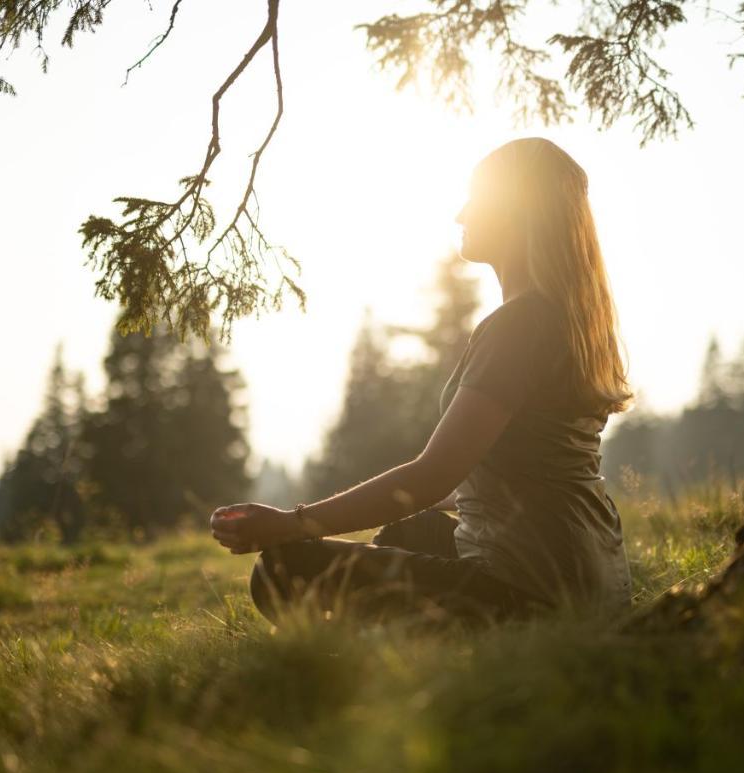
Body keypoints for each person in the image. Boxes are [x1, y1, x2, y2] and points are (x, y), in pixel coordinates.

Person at [210, 136, 635, 629]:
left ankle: (365, 662)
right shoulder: (568, 320)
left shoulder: (518, 326)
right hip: (593, 580)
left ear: (519, 213)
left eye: (478, 199)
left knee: (284, 569)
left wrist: (291, 524)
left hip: (533, 593)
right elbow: (515, 470)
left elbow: (432, 474)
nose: (461, 214)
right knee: (412, 533)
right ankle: (397, 642)